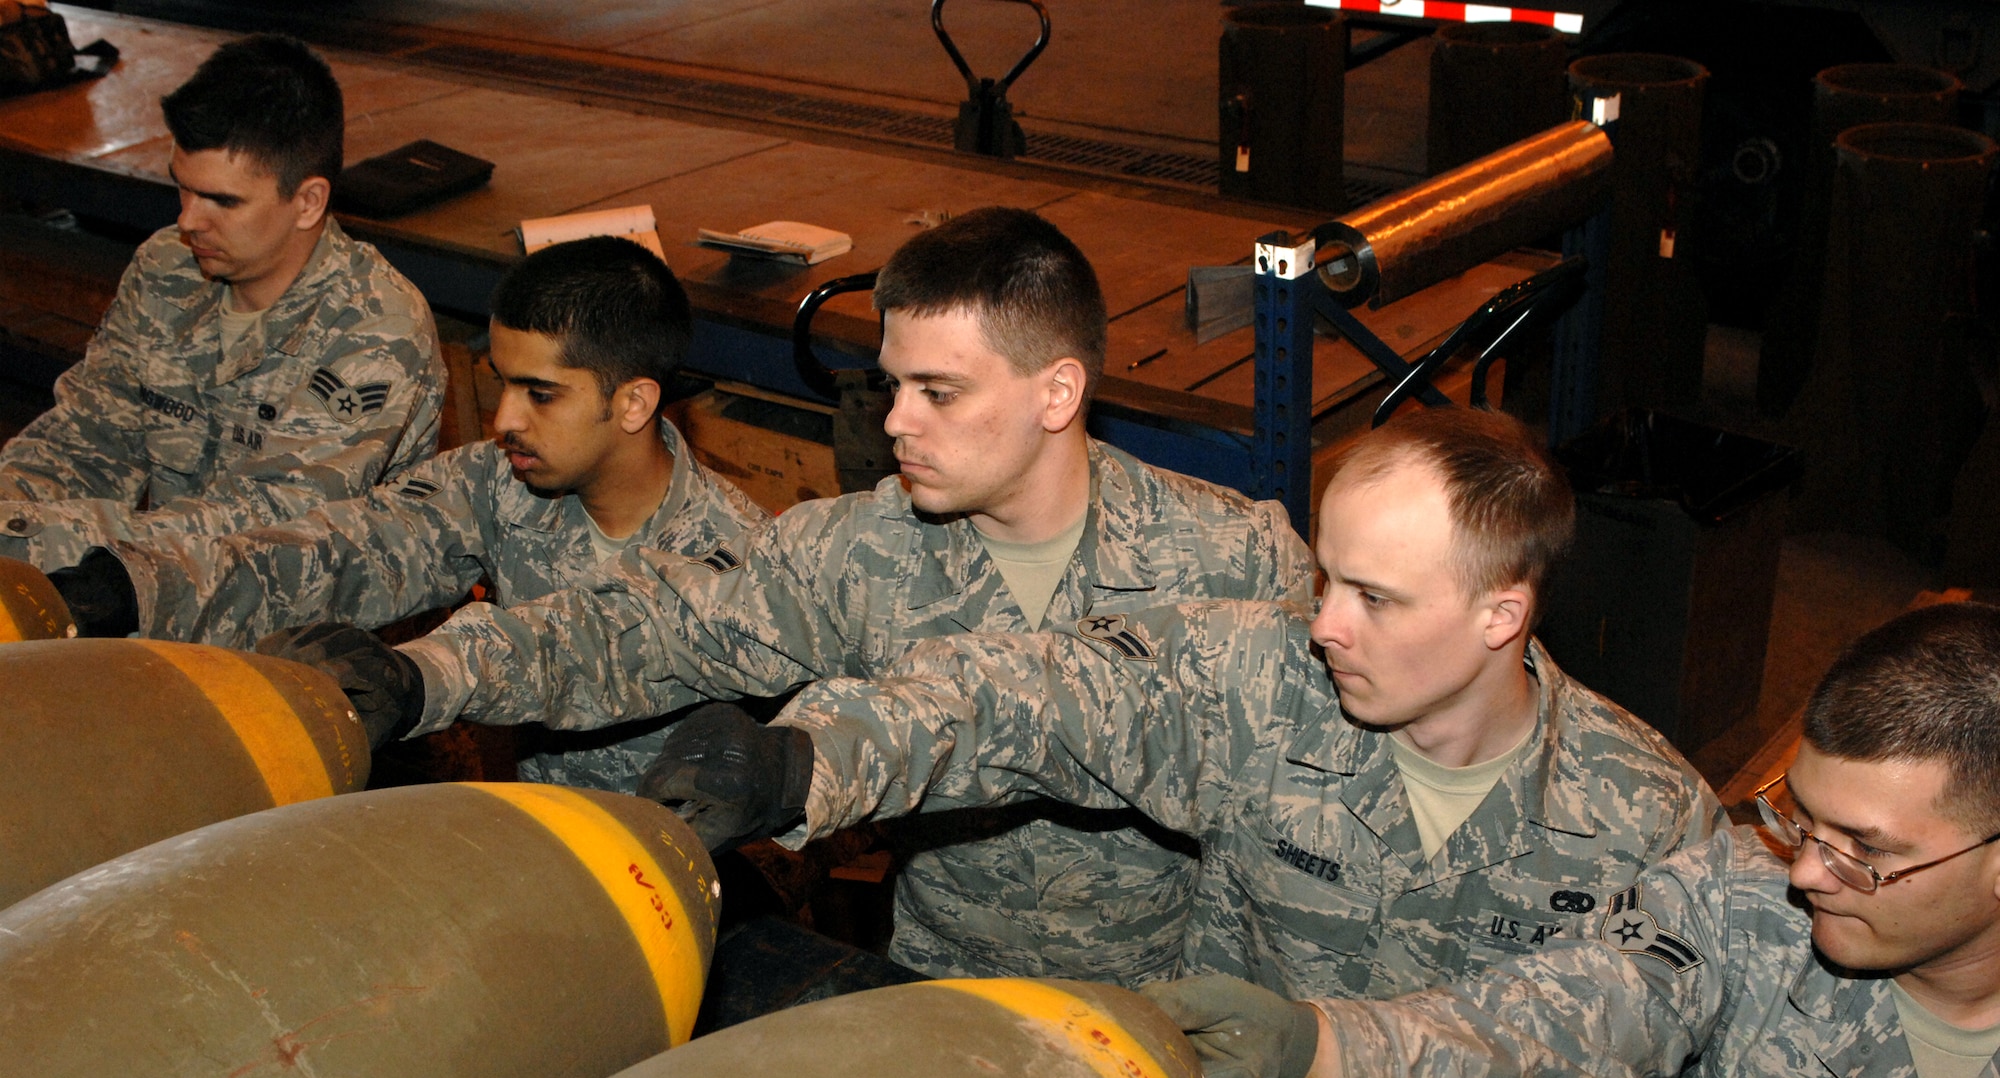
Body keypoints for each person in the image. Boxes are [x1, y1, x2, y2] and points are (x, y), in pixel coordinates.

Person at [648, 405, 1723, 1078]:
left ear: (1501, 613)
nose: (1322, 623)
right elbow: (1043, 692)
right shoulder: (1255, 681)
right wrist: (806, 759)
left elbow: (1620, 1063)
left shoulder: (1645, 816)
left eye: (1373, 597)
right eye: (1324, 578)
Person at [261, 206, 1315, 984]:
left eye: (937, 393)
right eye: (892, 384)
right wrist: (426, 672)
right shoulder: (857, 551)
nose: (896, 422)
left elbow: (1315, 826)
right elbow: (644, 624)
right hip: (943, 993)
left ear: (1056, 391)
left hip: (1174, 1017)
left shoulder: (1234, 558)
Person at [1150, 602, 2000, 1078]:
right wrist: (1307, 1046)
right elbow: (1548, 1025)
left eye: (1865, 851)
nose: (1808, 870)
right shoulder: (1736, 903)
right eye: (1803, 818)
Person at [49, 236, 765, 790]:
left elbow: (581, 650)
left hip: (688, 874)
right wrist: (136, 588)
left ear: (634, 402)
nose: (505, 420)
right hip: (539, 832)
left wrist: (422, 675)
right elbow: (353, 544)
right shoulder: (502, 482)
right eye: (501, 385)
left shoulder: (735, 556)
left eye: (540, 394)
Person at [0, 34, 442, 572]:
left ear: (307, 202)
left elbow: (260, 530)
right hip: (143, 587)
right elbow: (86, 439)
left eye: (222, 200)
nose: (188, 220)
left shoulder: (379, 327)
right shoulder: (168, 267)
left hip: (291, 637)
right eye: (182, 188)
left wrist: (34, 534)